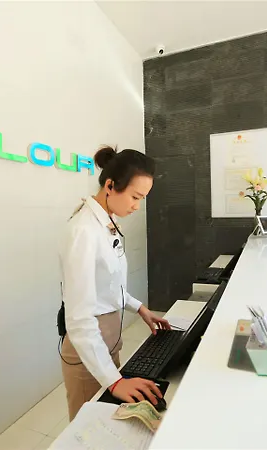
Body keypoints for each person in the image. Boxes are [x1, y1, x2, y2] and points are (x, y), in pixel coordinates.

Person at [59, 145, 171, 421]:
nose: (136, 206)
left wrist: (140, 308)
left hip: (109, 337)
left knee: (109, 422)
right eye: (135, 197)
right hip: (88, 347)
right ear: (110, 186)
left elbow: (109, 285)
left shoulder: (107, 222)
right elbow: (79, 318)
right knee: (89, 429)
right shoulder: (83, 230)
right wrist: (115, 381)